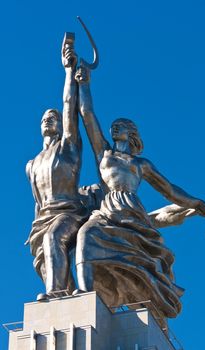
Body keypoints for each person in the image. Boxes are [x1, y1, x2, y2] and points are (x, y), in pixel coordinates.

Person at [74, 65, 205, 327]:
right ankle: (84, 295)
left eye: (119, 126)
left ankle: (150, 301)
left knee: (144, 262)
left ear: (131, 134)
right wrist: (84, 83)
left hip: (132, 211)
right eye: (113, 126)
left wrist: (202, 206)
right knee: (86, 235)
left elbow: (171, 190)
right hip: (108, 210)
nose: (113, 128)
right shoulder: (104, 155)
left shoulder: (141, 164)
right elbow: (87, 115)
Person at [26, 37, 89, 300]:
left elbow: (69, 106)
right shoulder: (31, 164)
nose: (47, 121)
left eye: (52, 118)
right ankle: (67, 296)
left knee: (54, 238)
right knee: (44, 257)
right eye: (43, 119)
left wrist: (67, 71)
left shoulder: (68, 147)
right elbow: (37, 202)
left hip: (69, 212)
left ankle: (55, 294)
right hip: (42, 218)